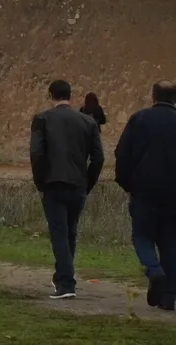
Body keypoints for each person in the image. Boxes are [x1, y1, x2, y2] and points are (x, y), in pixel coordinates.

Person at [30, 79, 104, 300]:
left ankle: (66, 282)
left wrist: (40, 182)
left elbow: (37, 153)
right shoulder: (87, 122)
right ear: (70, 96)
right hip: (78, 184)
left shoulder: (42, 119)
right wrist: (88, 182)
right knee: (70, 231)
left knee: (59, 232)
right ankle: (63, 275)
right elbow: (98, 157)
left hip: (53, 183)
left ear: (51, 95)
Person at [115, 80, 176, 311]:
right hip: (174, 194)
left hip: (144, 190)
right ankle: (169, 297)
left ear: (153, 96)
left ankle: (153, 270)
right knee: (171, 241)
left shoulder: (140, 119)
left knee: (142, 236)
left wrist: (128, 184)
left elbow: (122, 154)